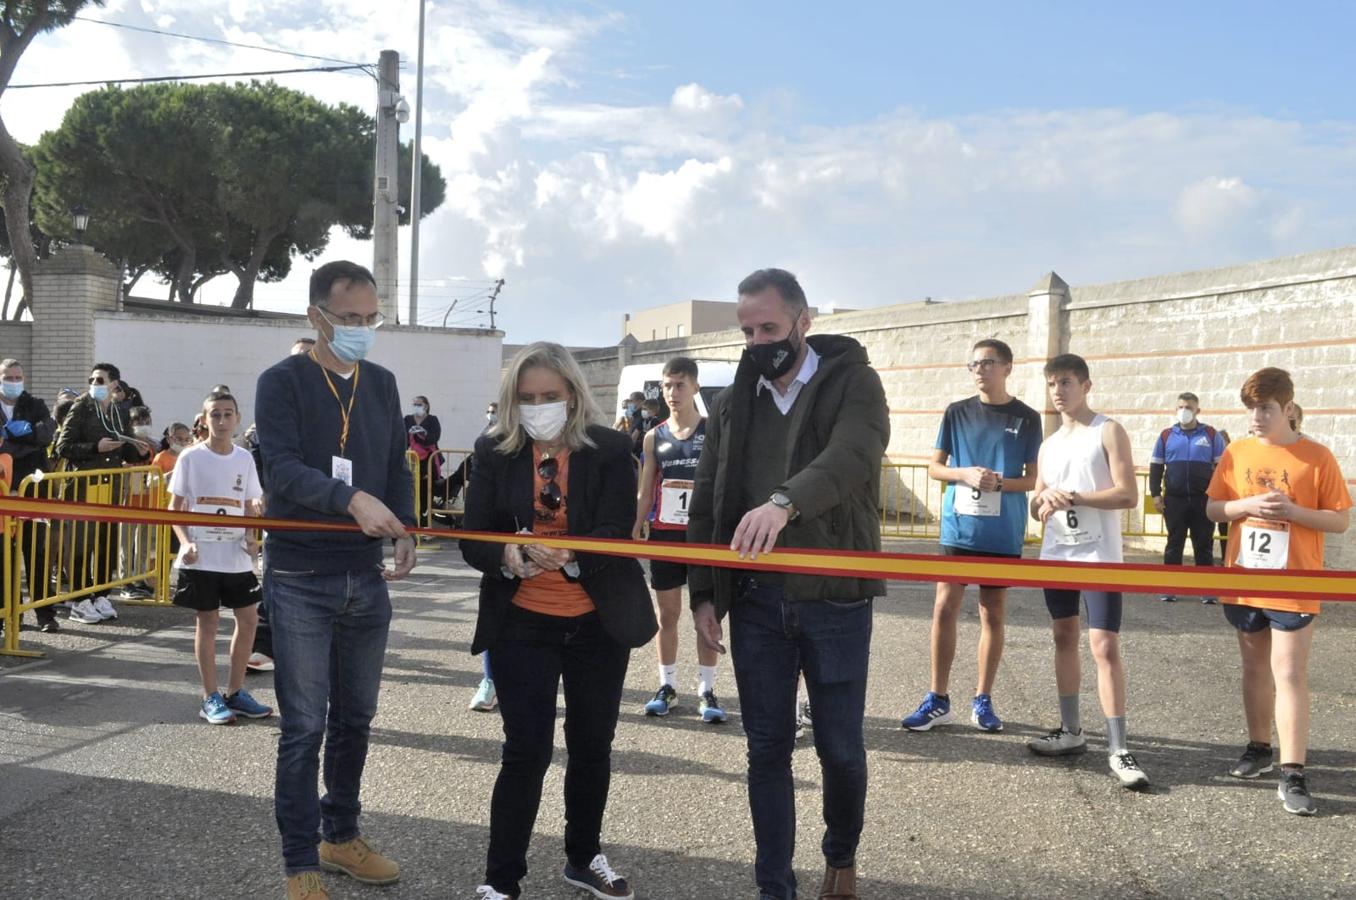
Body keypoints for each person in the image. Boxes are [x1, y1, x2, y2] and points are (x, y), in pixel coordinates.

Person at [687, 268, 889, 900]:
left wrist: (783, 502)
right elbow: (706, 501)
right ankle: (774, 885)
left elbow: (855, 454)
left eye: (769, 327)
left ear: (804, 320)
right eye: (747, 330)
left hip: (834, 597)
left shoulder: (853, 381)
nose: (757, 340)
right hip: (756, 601)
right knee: (766, 750)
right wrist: (702, 591)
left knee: (840, 748)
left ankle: (841, 856)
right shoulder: (730, 404)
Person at [460, 341, 657, 900]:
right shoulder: (494, 452)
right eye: (527, 398)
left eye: (549, 395)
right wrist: (508, 556)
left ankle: (583, 856)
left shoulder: (612, 449)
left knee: (592, 745)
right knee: (525, 751)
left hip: (597, 623)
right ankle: (501, 879)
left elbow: (618, 531)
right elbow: (474, 538)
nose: (539, 405)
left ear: (573, 393)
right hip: (522, 622)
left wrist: (571, 553)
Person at [255, 260, 416, 900]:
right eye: (348, 319)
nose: (360, 329)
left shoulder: (381, 383)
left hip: (363, 579)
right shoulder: (282, 381)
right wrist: (349, 500)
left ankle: (340, 835)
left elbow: (395, 464)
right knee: (303, 727)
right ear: (315, 316)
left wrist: (404, 525)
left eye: (370, 319)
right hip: (299, 576)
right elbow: (283, 470)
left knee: (356, 718)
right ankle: (301, 863)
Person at [1206, 367, 1350, 816]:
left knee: (1288, 673)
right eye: (1251, 409)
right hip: (1245, 580)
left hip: (1294, 583)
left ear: (1287, 408)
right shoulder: (1236, 452)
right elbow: (1213, 508)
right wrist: (1246, 505)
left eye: (1265, 408)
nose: (1256, 417)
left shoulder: (1317, 457)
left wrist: (1294, 511)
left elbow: (1341, 519)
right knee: (1253, 668)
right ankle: (1258, 748)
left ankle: (1293, 771)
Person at [902, 338, 1041, 734]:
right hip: (959, 527)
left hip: (1001, 531)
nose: (980, 369)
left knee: (991, 613)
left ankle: (983, 698)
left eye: (988, 362)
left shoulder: (1027, 418)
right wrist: (963, 474)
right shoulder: (956, 412)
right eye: (974, 364)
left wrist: (1001, 483)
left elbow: (1033, 479)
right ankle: (937, 698)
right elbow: (934, 467)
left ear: (1008, 368)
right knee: (944, 607)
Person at [1027, 354, 1148, 790]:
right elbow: (1034, 503)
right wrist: (1045, 502)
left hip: (1100, 556)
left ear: (1086, 385)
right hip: (1057, 553)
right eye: (1052, 384)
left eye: (1066, 382)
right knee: (1063, 637)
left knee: (1104, 646)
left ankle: (1119, 747)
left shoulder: (1108, 430)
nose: (1058, 391)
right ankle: (1071, 730)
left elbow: (1128, 495)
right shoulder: (1049, 443)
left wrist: (1074, 496)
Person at [168, 392, 272, 725]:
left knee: (249, 619)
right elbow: (175, 509)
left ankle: (236, 691)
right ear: (204, 419)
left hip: (235, 556)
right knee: (208, 623)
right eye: (215, 414)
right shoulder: (190, 457)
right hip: (203, 555)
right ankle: (210, 696)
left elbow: (249, 505)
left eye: (228, 414)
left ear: (237, 419)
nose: (222, 421)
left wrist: (252, 535)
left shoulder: (244, 459)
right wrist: (185, 542)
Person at [632, 356, 724, 722]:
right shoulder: (655, 436)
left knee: (707, 615)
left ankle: (707, 690)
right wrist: (637, 524)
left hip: (703, 538)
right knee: (666, 614)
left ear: (695, 387)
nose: (672, 392)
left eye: (680, 385)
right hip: (667, 537)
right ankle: (667, 685)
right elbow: (645, 489)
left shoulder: (712, 430)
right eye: (667, 385)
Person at [53, 362, 153, 624]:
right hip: (84, 487)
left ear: (114, 385)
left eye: (100, 380)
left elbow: (125, 447)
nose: (95, 384)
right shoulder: (82, 406)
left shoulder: (119, 411)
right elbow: (63, 446)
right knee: (80, 545)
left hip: (109, 488)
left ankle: (100, 594)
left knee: (105, 543)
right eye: (92, 380)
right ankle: (80, 598)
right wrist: (95, 447)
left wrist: (138, 451)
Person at [0, 358, 59, 633]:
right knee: (4, 557)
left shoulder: (35, 404)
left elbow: (46, 434)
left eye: (17, 377)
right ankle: (9, 615)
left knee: (36, 552)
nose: (13, 382)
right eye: (8, 377)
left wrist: (11, 444)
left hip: (31, 488)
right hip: (3, 491)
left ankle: (45, 614)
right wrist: (26, 439)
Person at [1149, 392, 1226, 603]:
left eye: (1189, 407)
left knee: (1204, 544)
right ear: (1176, 410)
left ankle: (1207, 590)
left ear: (1197, 411)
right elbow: (1156, 466)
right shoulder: (1166, 436)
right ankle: (1169, 588)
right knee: (1174, 544)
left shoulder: (1211, 435)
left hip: (1203, 500)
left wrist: (1217, 495)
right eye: (1181, 407)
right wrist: (1155, 493)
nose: (1184, 411)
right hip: (1174, 500)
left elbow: (1222, 468)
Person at [404, 394, 441, 525]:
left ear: (426, 406)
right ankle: (413, 522)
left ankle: (425, 525)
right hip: (411, 460)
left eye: (419, 404)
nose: (416, 406)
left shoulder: (432, 420)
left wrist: (420, 435)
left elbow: (434, 438)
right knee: (411, 492)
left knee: (425, 492)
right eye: (414, 404)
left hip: (428, 461)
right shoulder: (408, 419)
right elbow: (402, 438)